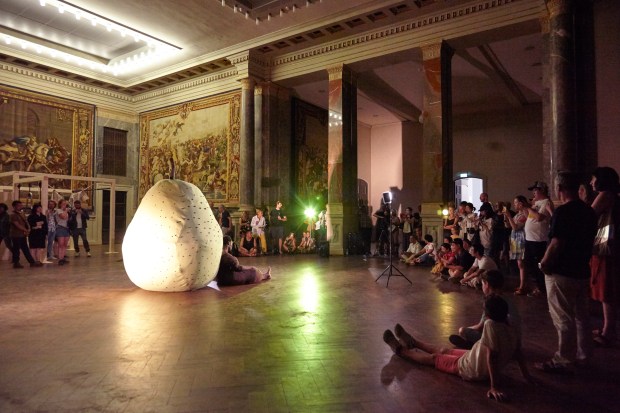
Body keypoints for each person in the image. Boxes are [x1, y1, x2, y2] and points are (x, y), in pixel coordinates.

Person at [383, 295, 533, 402]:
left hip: (471, 368)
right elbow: (518, 352)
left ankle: (401, 350)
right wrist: (526, 376)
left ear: (488, 315)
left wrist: (494, 386)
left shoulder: (491, 325)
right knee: (444, 351)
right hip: (474, 356)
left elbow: (492, 357)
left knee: (435, 359)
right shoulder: (511, 324)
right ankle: (413, 342)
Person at [536, 171, 596, 373]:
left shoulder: (563, 212)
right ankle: (584, 355)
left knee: (563, 317)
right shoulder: (588, 211)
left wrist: (544, 263)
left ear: (559, 188)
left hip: (561, 271)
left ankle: (564, 359)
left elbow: (556, 242)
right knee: (582, 317)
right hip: (581, 269)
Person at [589, 166, 620, 347]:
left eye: (593, 179)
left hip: (605, 249)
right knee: (607, 289)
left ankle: (609, 331)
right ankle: (607, 328)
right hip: (610, 247)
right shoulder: (613, 196)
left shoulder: (605, 195)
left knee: (606, 289)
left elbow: (589, 215)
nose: (591, 182)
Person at [451, 270, 521, 350]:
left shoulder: (492, 301)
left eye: (482, 284)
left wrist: (464, 329)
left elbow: (479, 327)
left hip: (499, 343)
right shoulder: (507, 300)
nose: (482, 287)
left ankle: (475, 346)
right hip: (515, 342)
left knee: (462, 330)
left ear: (487, 284)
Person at [524, 181, 554, 297]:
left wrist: (528, 207)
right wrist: (525, 208)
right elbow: (529, 217)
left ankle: (541, 288)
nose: (533, 192)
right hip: (530, 238)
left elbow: (539, 217)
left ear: (541, 190)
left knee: (537, 265)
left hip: (538, 240)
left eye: (535, 190)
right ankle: (537, 286)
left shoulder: (546, 202)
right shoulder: (536, 203)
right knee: (529, 264)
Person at [505, 196, 529, 295]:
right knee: (519, 264)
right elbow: (508, 226)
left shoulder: (525, 214)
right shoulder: (517, 214)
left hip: (520, 239)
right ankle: (522, 284)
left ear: (521, 203)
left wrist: (509, 216)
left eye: (516, 203)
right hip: (515, 239)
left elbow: (515, 227)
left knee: (521, 263)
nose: (514, 204)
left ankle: (523, 286)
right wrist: (506, 217)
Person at [9, 201, 42, 268]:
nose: (21, 206)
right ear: (14, 206)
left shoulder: (22, 213)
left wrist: (28, 229)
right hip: (16, 235)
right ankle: (16, 263)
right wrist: (25, 230)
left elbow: (26, 222)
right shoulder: (13, 215)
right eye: (19, 205)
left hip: (22, 234)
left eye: (21, 205)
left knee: (25, 249)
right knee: (16, 249)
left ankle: (32, 262)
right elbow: (17, 224)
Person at [54, 199, 71, 265]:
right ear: (60, 204)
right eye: (63, 203)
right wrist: (66, 210)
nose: (65, 204)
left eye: (65, 203)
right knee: (61, 244)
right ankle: (60, 259)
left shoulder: (65, 211)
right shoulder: (58, 210)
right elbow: (63, 217)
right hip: (60, 228)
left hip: (66, 229)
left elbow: (67, 220)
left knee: (65, 244)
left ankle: (63, 258)